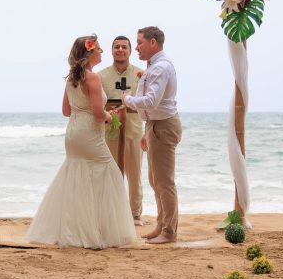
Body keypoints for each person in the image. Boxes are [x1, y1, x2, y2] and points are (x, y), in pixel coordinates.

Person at [25, 35, 139, 249]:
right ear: (90, 52)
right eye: (99, 49)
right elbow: (97, 113)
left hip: (73, 134)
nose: (102, 52)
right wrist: (110, 116)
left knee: (77, 175)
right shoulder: (93, 78)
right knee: (110, 174)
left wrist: (87, 111)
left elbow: (66, 111)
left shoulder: (72, 78)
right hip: (89, 134)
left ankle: (77, 228)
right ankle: (100, 231)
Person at [123, 26, 182, 244]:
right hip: (155, 125)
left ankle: (169, 232)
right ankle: (161, 225)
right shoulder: (154, 66)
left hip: (163, 125)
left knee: (164, 182)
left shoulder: (161, 67)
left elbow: (151, 101)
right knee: (155, 180)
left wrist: (127, 99)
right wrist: (147, 130)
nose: (136, 47)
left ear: (153, 43)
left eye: (139, 42)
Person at [99, 36, 145, 226]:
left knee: (135, 175)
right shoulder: (101, 76)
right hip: (110, 133)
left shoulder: (141, 74)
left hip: (134, 131)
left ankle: (135, 214)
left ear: (130, 51)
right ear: (112, 51)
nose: (120, 50)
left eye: (124, 47)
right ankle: (112, 213)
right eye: (116, 47)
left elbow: (146, 102)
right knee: (110, 175)